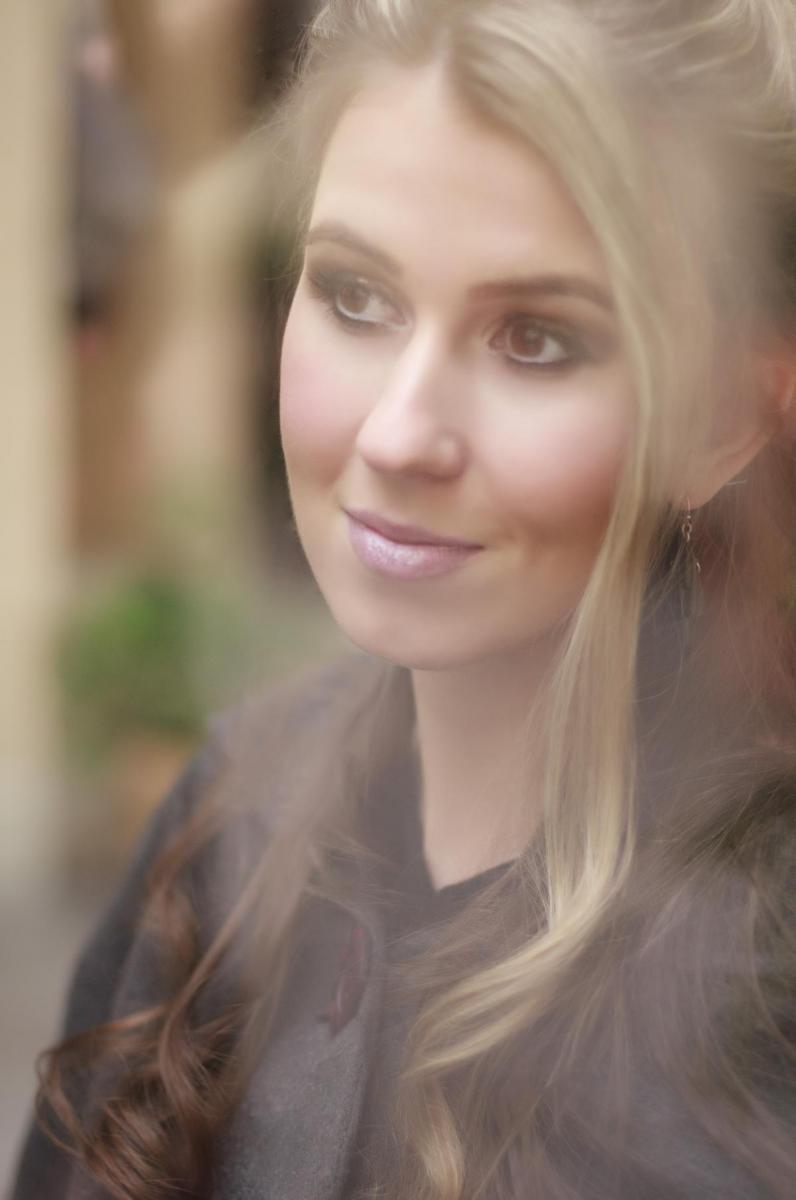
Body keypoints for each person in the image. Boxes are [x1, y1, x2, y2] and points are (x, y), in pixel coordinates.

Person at [11, 1, 796, 1197]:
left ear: (723, 415)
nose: (396, 433)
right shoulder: (225, 825)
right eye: (356, 295)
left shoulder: (758, 997)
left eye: (535, 339)